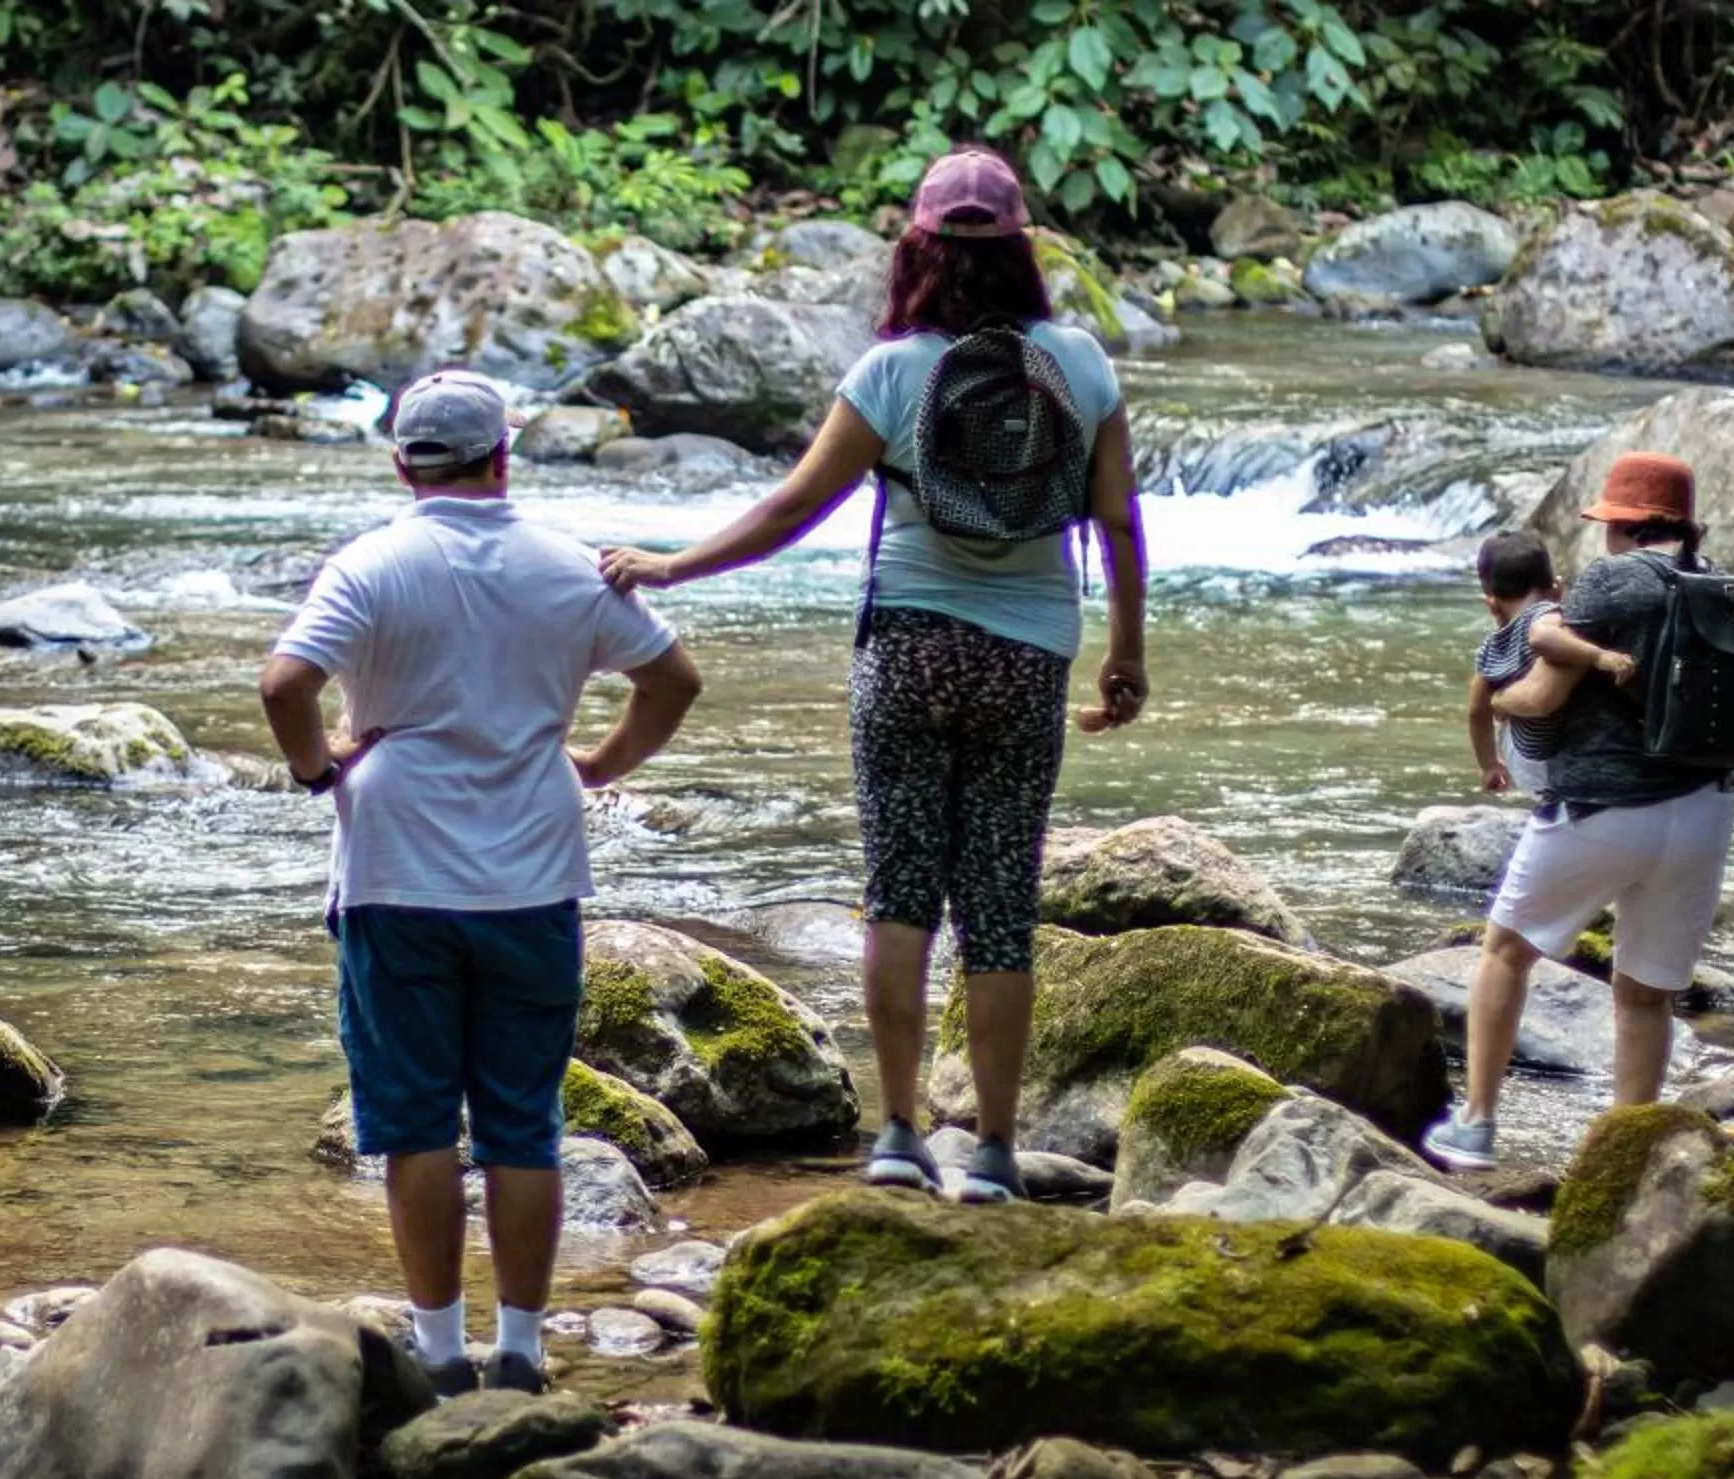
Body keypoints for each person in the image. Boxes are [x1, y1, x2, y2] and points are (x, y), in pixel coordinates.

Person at [601, 148, 1149, 1204]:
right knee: (998, 907)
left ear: (917, 251)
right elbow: (1119, 520)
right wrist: (1126, 652)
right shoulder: (1081, 364)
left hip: (905, 647)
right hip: (1028, 658)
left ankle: (899, 1132)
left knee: (900, 893)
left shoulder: (893, 372)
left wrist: (670, 565)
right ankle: (994, 1152)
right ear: (1024, 251)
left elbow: (790, 509)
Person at [263, 369, 702, 1396]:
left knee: (415, 1125)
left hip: (395, 873)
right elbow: (672, 681)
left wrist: (320, 767)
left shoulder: (369, 564)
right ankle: (521, 1347)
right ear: (505, 454)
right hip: (532, 876)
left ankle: (438, 1348)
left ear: (401, 463)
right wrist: (600, 763)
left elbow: (285, 683)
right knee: (523, 1125)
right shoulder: (571, 567)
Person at [1427, 453, 1734, 1172]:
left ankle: (1475, 1126)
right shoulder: (1722, 584)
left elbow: (1540, 697)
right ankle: (1623, 1158)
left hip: (1604, 809)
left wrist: (1495, 701)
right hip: (1704, 812)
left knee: (1505, 952)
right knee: (1645, 993)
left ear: (1624, 522)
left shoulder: (1610, 581)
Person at [1467, 531, 1635, 797]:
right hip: (1551, 755)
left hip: (1519, 756)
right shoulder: (1545, 614)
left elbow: (1477, 711)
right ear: (1556, 587)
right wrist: (1599, 656)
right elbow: (1542, 637)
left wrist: (1489, 766)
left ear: (1490, 603)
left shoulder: (1489, 648)